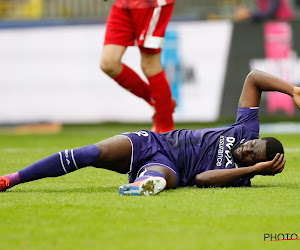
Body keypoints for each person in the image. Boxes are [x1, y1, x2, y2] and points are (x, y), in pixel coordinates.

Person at [1, 70, 300, 195]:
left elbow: (201, 179)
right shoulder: (245, 129)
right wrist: (292, 90)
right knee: (91, 153)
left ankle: (144, 184)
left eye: (251, 156)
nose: (246, 149)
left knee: (159, 179)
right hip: (156, 141)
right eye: (252, 144)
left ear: (254, 166)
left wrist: (255, 170)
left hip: (170, 167)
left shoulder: (240, 176)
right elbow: (253, 79)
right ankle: (11, 179)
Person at [100, 0, 176, 133]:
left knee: (149, 64)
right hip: (124, 4)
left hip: (150, 4)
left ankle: (165, 130)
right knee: (108, 63)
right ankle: (161, 104)